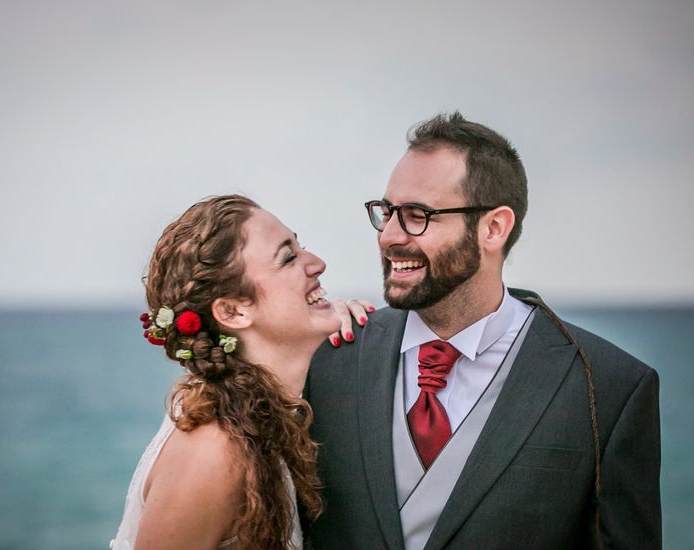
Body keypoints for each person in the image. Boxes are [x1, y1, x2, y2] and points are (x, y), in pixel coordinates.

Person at [305, 113, 662, 549]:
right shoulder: (327, 358)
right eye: (387, 212)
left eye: (418, 215)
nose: (390, 236)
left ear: (494, 228)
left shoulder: (611, 388)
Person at [109, 195, 371, 550]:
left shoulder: (269, 418)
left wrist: (359, 337)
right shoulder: (215, 451)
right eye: (288, 257)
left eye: (300, 246)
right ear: (233, 312)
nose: (318, 263)